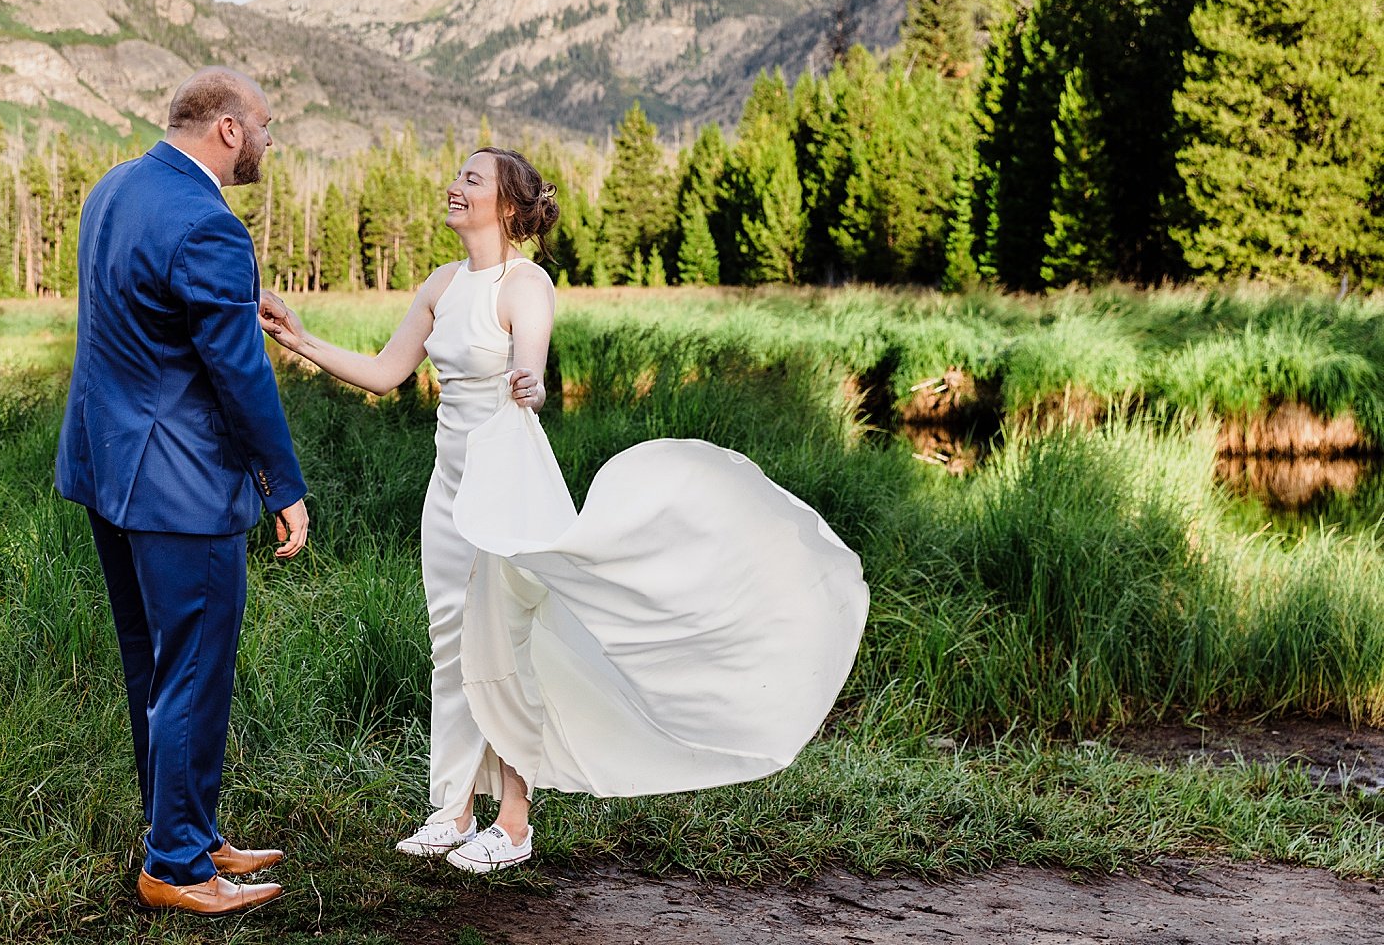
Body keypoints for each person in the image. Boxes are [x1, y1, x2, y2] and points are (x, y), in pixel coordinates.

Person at [259, 147, 869, 875]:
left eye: (472, 180)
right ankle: (452, 809)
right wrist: (298, 340)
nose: (453, 187)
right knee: (451, 640)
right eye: (456, 176)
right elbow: (388, 373)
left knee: (508, 645)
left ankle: (513, 824)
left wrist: (531, 386)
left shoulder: (526, 284)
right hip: (448, 492)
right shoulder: (440, 285)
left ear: (509, 207)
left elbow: (534, 368)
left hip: (509, 482)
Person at [56, 67, 308, 915]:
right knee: (193, 671)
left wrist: (234, 303)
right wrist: (283, 485)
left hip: (108, 471)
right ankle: (174, 864)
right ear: (229, 130)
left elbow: (138, 315)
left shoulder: (115, 188)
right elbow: (238, 376)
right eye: (267, 127)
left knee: (155, 669)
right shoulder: (209, 223)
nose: (271, 143)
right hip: (181, 488)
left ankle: (189, 834)